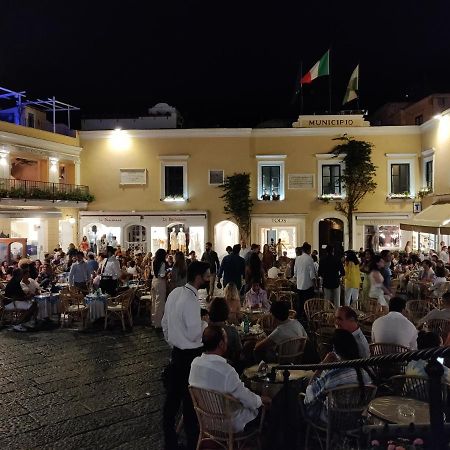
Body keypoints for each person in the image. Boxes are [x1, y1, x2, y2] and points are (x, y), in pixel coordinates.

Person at [161, 261, 210, 450]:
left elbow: (165, 323)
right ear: (198, 277)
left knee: (172, 402)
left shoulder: (175, 293)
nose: (208, 279)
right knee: (190, 404)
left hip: (177, 354)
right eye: (206, 276)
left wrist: (173, 341)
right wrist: (204, 324)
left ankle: (170, 439)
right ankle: (192, 442)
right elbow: (193, 333)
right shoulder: (190, 300)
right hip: (190, 356)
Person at [189, 325, 269, 433]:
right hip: (230, 424)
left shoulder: (195, 363)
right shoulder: (226, 371)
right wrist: (262, 399)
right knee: (266, 408)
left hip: (206, 420)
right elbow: (248, 399)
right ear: (221, 344)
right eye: (226, 339)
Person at [303, 329, 372, 422]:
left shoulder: (334, 376)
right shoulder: (367, 371)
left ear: (335, 350)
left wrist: (322, 365)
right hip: (356, 418)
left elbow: (310, 393)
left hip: (334, 419)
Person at [208, 297, 242, 366]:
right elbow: (239, 351)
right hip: (228, 366)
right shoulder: (232, 331)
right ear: (226, 311)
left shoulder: (205, 330)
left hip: (208, 365)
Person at [293, 242, 316, 318]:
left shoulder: (298, 259)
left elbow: (295, 273)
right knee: (308, 304)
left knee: (300, 303)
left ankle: (299, 318)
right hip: (308, 286)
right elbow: (312, 275)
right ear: (309, 250)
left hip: (299, 285)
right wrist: (315, 284)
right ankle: (308, 319)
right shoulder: (310, 259)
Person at [151, 248, 167, 330]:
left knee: (154, 301)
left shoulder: (153, 261)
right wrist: (167, 273)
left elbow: (152, 273)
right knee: (159, 302)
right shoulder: (162, 263)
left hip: (154, 281)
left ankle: (153, 320)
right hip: (160, 282)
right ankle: (158, 323)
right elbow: (162, 275)